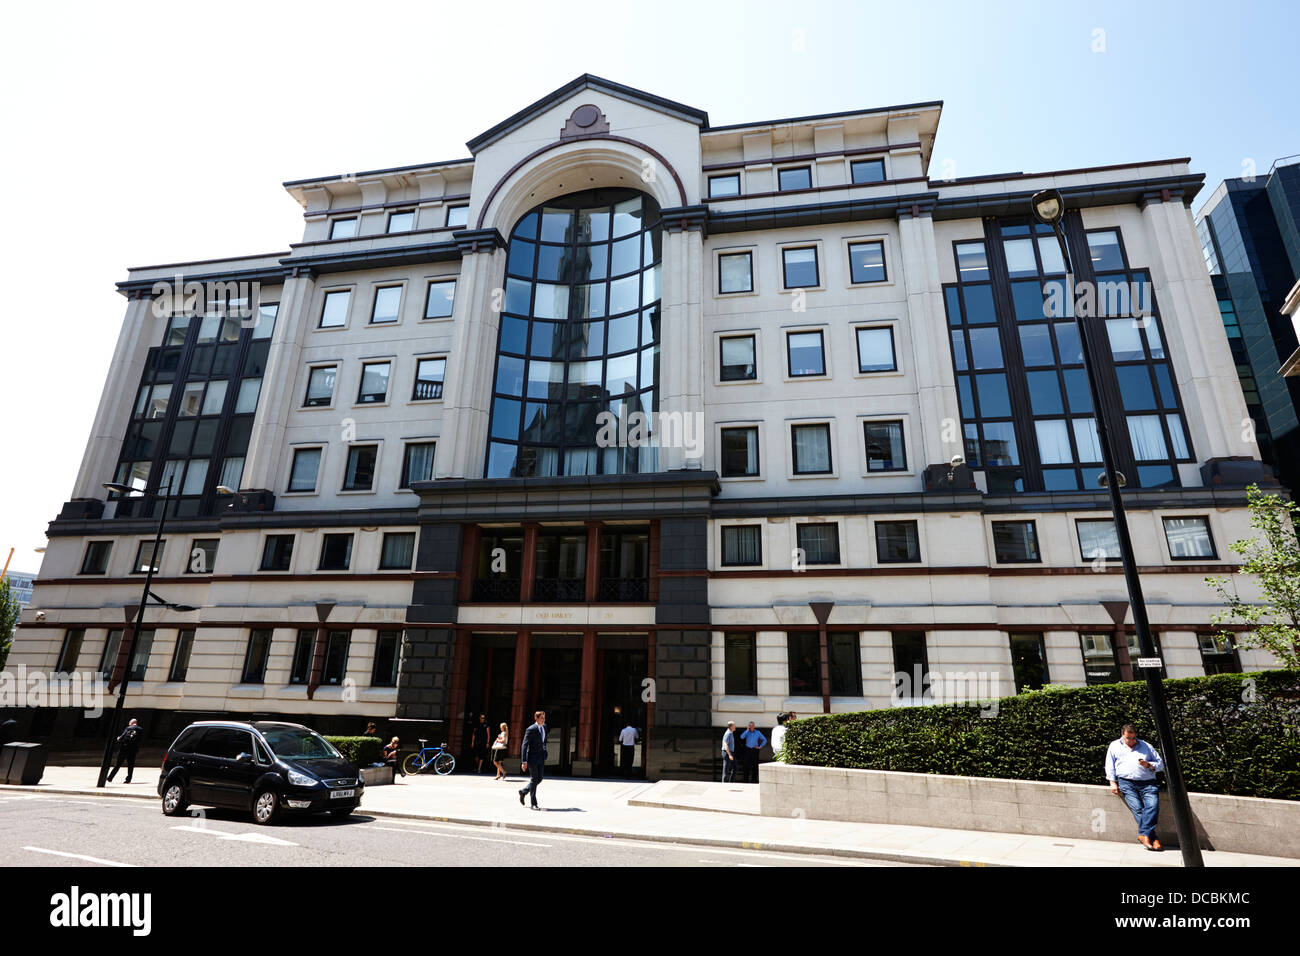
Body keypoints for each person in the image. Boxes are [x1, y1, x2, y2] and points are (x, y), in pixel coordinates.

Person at [1105, 723, 1165, 851]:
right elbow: (1109, 764)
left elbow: (1161, 764)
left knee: (1153, 806)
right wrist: (1112, 782)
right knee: (1138, 809)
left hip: (1147, 782)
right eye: (1128, 738)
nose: (1132, 741)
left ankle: (1144, 835)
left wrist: (1148, 765)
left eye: (1133, 738)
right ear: (1123, 735)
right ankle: (1153, 838)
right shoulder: (1114, 746)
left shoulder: (1146, 746)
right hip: (1126, 783)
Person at [518, 711, 547, 810]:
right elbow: (524, 745)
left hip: (541, 758)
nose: (543, 720)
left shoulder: (544, 727)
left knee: (540, 778)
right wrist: (524, 761)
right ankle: (533, 804)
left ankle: (524, 791)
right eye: (541, 718)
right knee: (534, 779)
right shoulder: (531, 729)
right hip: (532, 758)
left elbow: (543, 741)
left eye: (544, 718)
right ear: (536, 718)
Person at [107, 718, 142, 783]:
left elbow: (122, 737)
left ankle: (110, 777)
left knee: (118, 764)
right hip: (133, 750)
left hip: (124, 748)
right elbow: (140, 740)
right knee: (130, 765)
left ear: (131, 723)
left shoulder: (128, 728)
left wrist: (118, 738)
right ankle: (128, 779)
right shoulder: (140, 729)